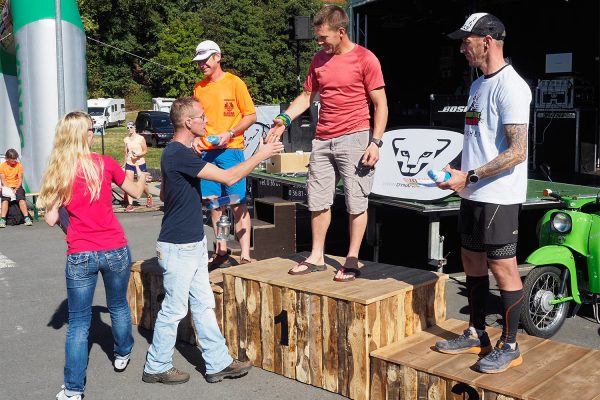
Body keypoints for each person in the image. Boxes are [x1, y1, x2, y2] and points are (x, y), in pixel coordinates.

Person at [142, 97, 283, 384]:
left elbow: (166, 195)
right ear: (188, 123)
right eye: (202, 116)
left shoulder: (176, 153)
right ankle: (156, 366)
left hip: (190, 242)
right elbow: (230, 177)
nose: (207, 121)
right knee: (175, 308)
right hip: (179, 245)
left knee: (204, 304)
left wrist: (194, 196)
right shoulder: (179, 153)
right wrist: (261, 153)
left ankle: (217, 362)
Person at [433, 13, 531, 374]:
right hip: (472, 193)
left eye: (466, 41)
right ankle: (476, 332)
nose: (461, 48)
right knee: (470, 260)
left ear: (487, 41)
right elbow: (477, 141)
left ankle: (511, 344)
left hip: (499, 195)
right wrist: (454, 169)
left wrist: (469, 175)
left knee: (502, 267)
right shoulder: (477, 86)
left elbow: (517, 151)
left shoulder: (513, 87)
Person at [266, 5, 388, 281]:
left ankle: (352, 259)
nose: (319, 43)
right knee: (317, 199)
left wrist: (376, 142)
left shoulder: (365, 59)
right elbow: (307, 96)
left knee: (356, 200)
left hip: (355, 137)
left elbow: (380, 104)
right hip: (322, 139)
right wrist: (283, 119)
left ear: (341, 32)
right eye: (317, 38)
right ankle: (317, 256)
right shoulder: (319, 59)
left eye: (323, 37)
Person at [38, 112, 148, 400]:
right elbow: (136, 192)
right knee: (118, 305)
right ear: (83, 134)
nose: (92, 132)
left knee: (77, 323)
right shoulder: (106, 164)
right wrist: (140, 172)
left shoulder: (59, 170)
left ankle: (74, 389)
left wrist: (64, 208)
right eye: (91, 128)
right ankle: (123, 352)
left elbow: (50, 219)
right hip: (114, 247)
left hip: (80, 252)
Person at [192, 40, 257, 267]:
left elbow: (250, 115)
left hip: (231, 149)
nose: (201, 65)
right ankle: (221, 250)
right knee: (214, 203)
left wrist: (230, 133)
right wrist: (195, 140)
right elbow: (197, 122)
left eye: (205, 60)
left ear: (217, 57)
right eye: (198, 62)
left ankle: (246, 254)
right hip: (207, 153)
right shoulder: (199, 88)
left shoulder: (234, 83)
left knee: (237, 202)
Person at [123, 121, 153, 211]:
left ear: (135, 128)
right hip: (129, 163)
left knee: (143, 184)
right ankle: (130, 204)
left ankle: (149, 196)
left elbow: (145, 150)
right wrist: (124, 164)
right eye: (127, 128)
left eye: (131, 127)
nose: (129, 129)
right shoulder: (126, 139)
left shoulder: (140, 138)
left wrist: (138, 154)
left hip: (139, 163)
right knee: (129, 183)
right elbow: (126, 153)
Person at [0, 148, 32, 227]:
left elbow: (20, 179)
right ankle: (3, 220)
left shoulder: (19, 165)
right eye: (12, 159)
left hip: (17, 186)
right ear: (7, 159)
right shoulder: (2, 166)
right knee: (5, 200)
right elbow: (3, 180)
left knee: (21, 198)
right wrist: (10, 189)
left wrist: (16, 188)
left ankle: (26, 218)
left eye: (15, 159)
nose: (14, 161)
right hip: (7, 187)